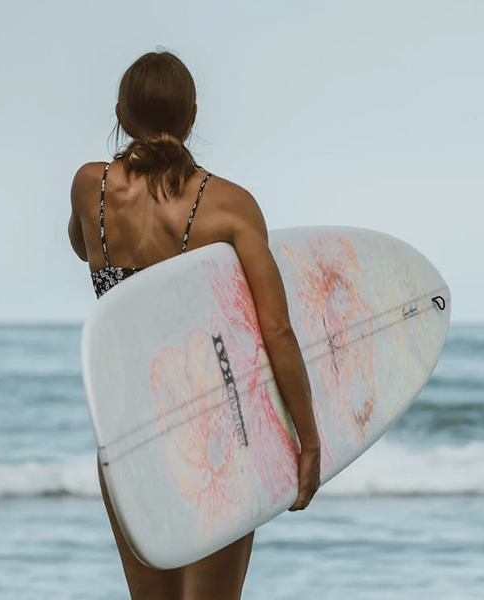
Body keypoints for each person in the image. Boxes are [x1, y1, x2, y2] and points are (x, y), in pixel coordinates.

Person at [67, 50, 321, 600]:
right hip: (215, 430)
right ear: (193, 116)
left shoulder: (91, 187)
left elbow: (78, 242)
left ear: (119, 112)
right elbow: (276, 330)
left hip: (126, 429)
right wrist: (309, 439)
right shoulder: (228, 205)